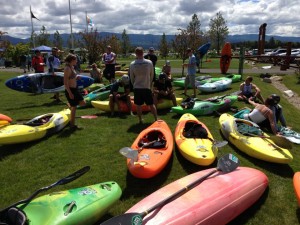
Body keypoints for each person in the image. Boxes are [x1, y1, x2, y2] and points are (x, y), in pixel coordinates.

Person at [130, 47, 158, 124]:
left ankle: (140, 120)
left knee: (138, 105)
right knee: (151, 104)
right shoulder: (149, 62)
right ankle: (156, 119)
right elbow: (152, 75)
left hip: (137, 87)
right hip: (146, 86)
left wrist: (134, 84)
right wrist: (149, 84)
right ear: (143, 52)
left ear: (136, 54)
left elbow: (132, 77)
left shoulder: (132, 64)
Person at [64, 54, 86, 130]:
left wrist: (76, 77)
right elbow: (65, 83)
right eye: (75, 59)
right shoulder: (67, 69)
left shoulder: (72, 67)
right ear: (72, 60)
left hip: (75, 89)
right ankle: (72, 125)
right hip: (71, 90)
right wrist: (70, 93)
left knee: (83, 103)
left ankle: (70, 105)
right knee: (74, 107)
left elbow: (72, 78)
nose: (77, 61)